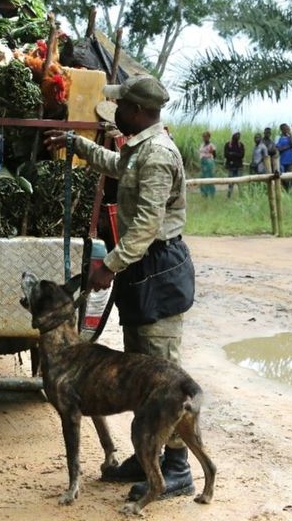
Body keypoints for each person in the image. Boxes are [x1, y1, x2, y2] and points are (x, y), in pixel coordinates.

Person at [43, 74, 196, 502]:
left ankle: (177, 467)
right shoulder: (139, 148)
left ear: (143, 112)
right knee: (141, 368)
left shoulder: (159, 155)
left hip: (157, 269)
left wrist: (108, 266)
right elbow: (117, 167)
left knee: (163, 371)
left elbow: (147, 224)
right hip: (139, 266)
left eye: (124, 109)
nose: (119, 115)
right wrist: (78, 145)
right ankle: (147, 454)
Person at [223, 131, 245, 198]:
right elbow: (226, 155)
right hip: (231, 166)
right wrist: (235, 154)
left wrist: (232, 153)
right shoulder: (227, 144)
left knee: (240, 182)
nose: (237, 136)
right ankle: (229, 196)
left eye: (239, 135)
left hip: (239, 166)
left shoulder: (241, 145)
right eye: (236, 135)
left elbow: (242, 155)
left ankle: (241, 196)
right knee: (230, 182)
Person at [275, 123, 292, 189]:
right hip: (281, 161)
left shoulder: (290, 137)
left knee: (291, 177)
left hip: (290, 161)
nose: (287, 130)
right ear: (282, 130)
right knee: (282, 177)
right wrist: (289, 146)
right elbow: (279, 149)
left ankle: (290, 191)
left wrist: (290, 136)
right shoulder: (278, 138)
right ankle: (284, 190)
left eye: (287, 128)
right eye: (285, 129)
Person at [198, 130, 217, 198]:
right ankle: (204, 194)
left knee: (210, 178)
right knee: (203, 178)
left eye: (206, 137)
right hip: (203, 162)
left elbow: (214, 155)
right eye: (203, 137)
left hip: (209, 163)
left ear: (209, 137)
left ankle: (212, 194)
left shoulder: (211, 146)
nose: (204, 138)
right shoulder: (202, 145)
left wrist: (209, 160)